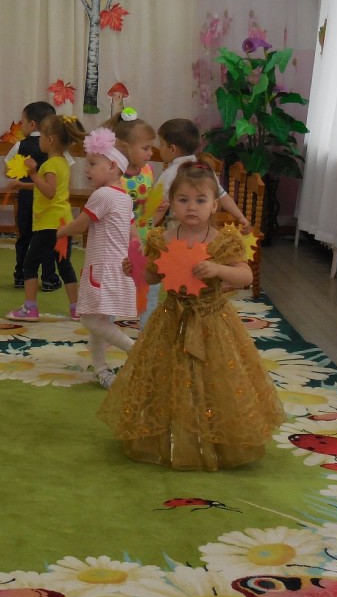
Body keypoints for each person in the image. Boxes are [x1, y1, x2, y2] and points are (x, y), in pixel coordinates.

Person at [97, 162, 285, 471]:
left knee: (212, 377)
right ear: (172, 203)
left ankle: (214, 438)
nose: (192, 207)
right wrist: (136, 271)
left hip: (212, 320)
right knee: (167, 376)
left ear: (214, 205)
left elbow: (245, 276)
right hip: (171, 318)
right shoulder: (163, 239)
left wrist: (218, 269)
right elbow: (155, 276)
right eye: (183, 200)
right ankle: (170, 435)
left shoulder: (221, 241)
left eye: (200, 200)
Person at [56, 128, 136, 389]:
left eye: (92, 164)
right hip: (116, 268)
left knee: (90, 319)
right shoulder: (125, 198)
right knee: (100, 322)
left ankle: (134, 350)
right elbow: (133, 233)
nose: (86, 169)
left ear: (112, 166)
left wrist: (61, 231)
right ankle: (102, 370)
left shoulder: (102, 195)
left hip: (102, 269)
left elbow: (81, 224)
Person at [6, 114, 84, 322]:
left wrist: (32, 173)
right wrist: (24, 185)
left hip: (48, 225)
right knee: (64, 265)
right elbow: (52, 189)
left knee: (30, 265)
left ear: (50, 140)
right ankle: (76, 308)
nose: (38, 139)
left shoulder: (48, 165)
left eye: (41, 136)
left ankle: (30, 308)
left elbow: (49, 192)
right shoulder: (61, 163)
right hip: (63, 222)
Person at [150, 118, 249, 230]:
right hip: (204, 231)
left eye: (161, 144)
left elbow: (158, 207)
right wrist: (240, 217)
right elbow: (223, 196)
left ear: (172, 149)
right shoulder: (205, 169)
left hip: (177, 230)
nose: (159, 148)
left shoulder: (168, 175)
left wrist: (145, 229)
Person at [106, 108, 159, 318]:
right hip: (118, 244)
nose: (151, 153)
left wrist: (158, 207)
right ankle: (105, 328)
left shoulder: (148, 171)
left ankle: (147, 329)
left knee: (149, 287)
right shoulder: (114, 176)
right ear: (125, 147)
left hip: (145, 240)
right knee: (114, 286)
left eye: (151, 147)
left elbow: (147, 209)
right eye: (145, 148)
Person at [4, 101, 61, 292]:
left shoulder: (20, 145)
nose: (21, 126)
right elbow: (64, 171)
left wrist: (23, 171)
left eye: (23, 122)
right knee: (46, 239)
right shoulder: (56, 146)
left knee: (25, 237)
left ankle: (21, 276)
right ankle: (49, 279)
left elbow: (8, 171)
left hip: (27, 199)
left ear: (32, 124)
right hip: (48, 201)